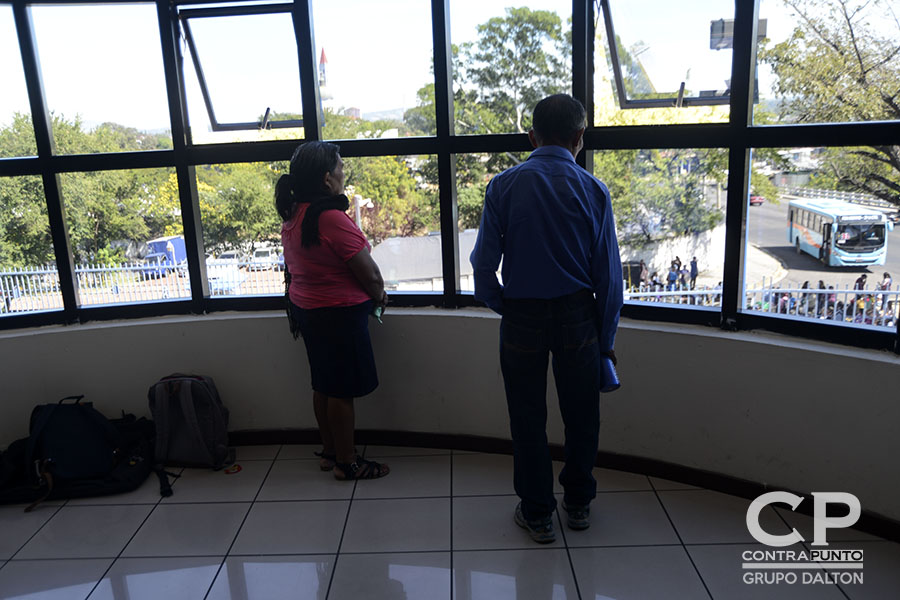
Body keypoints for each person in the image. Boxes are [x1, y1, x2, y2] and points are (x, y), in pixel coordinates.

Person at [470, 94, 623, 544]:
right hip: (579, 318)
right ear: (580, 137)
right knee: (582, 415)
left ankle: (537, 513)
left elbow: (482, 269)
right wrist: (606, 339)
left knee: (526, 416)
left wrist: (509, 306)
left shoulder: (503, 185)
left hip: (522, 317)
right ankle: (577, 504)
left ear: (531, 136)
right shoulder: (594, 191)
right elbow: (609, 279)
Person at [276, 141, 390, 481]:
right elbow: (367, 271)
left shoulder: (295, 212)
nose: (343, 173)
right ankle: (347, 463)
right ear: (327, 179)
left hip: (308, 309)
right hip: (339, 314)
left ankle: (329, 452)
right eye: (340, 167)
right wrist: (380, 294)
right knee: (341, 390)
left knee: (323, 384)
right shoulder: (329, 218)